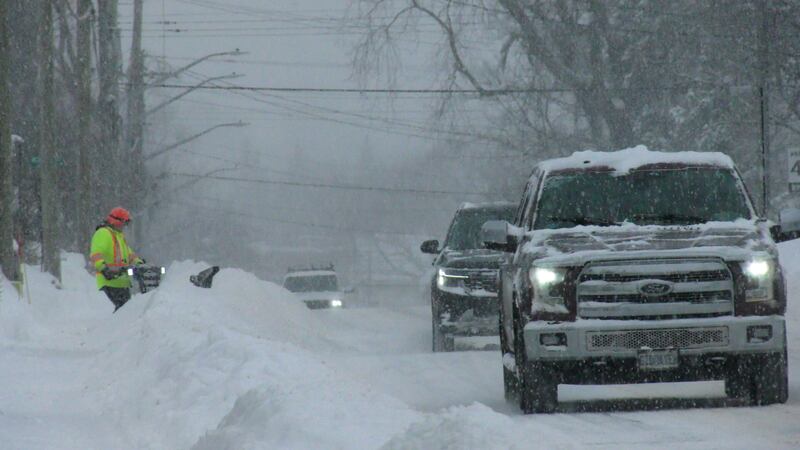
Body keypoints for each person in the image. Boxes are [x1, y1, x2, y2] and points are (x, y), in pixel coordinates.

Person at [89, 207, 143, 312]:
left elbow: (129, 254)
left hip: (121, 281)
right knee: (124, 310)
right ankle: (116, 327)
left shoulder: (118, 236)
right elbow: (96, 254)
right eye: (124, 223)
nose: (125, 226)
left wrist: (139, 263)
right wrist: (104, 269)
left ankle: (118, 327)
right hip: (110, 280)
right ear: (116, 221)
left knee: (124, 310)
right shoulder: (103, 233)